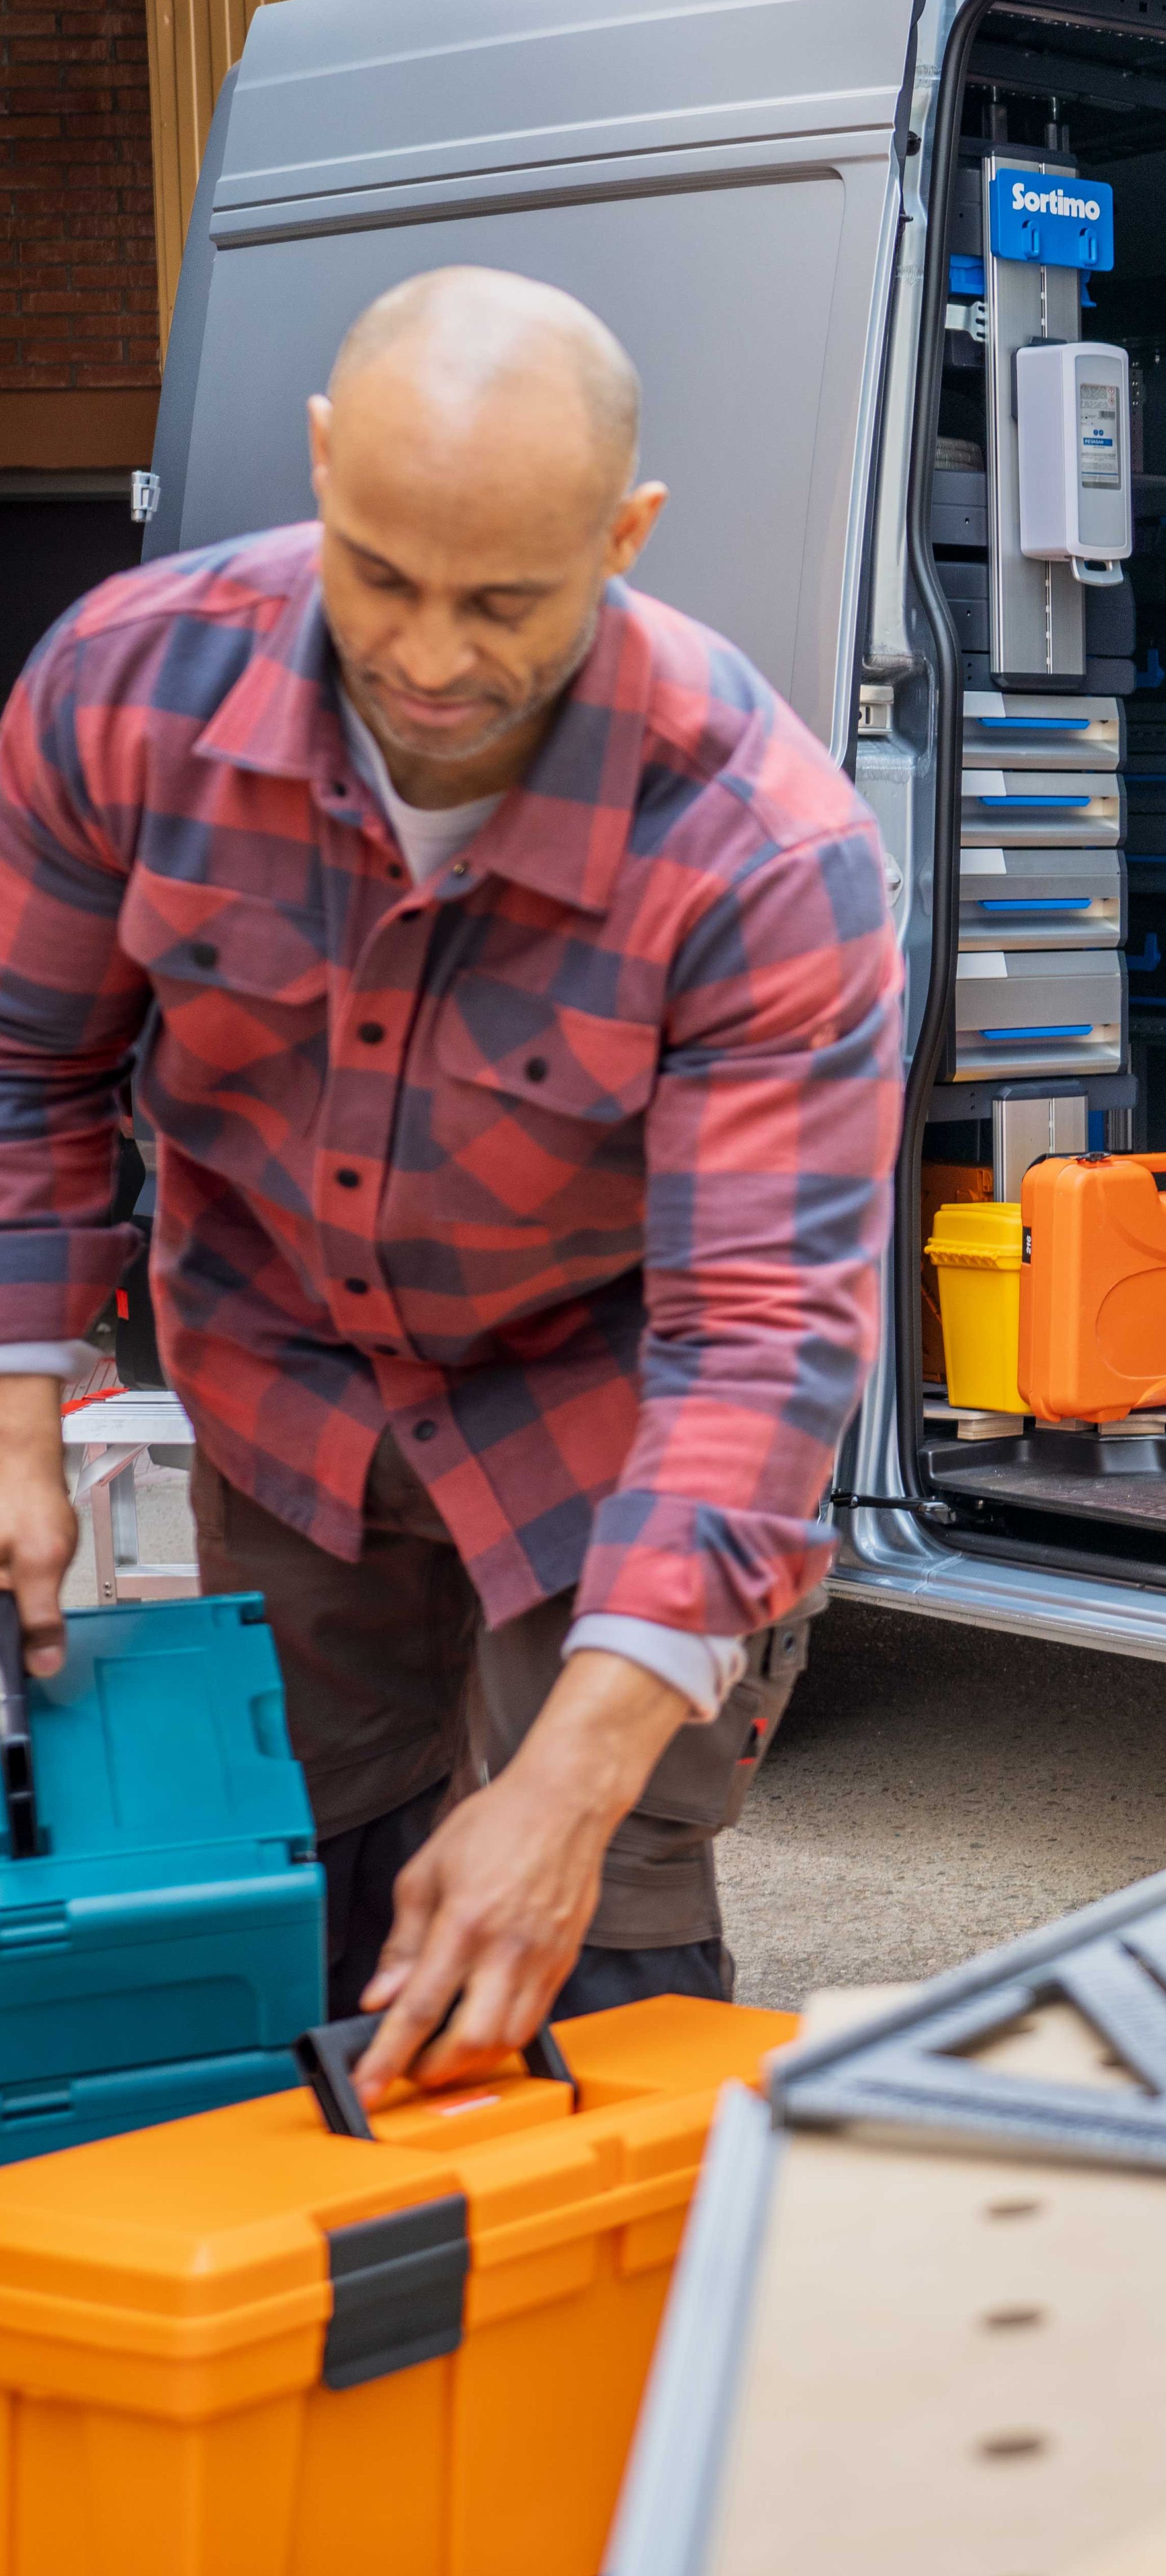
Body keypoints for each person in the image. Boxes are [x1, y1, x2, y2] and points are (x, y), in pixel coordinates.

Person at [0, 267, 902, 2099]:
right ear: (325, 467)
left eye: (504, 602)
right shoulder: (121, 690)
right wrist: (16, 1407)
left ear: (626, 534)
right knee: (307, 1898)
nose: (425, 655)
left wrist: (567, 1795)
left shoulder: (761, 850)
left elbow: (754, 1353)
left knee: (584, 1950)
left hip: (610, 1434)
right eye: (380, 574)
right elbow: (31, 1067)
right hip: (283, 1399)